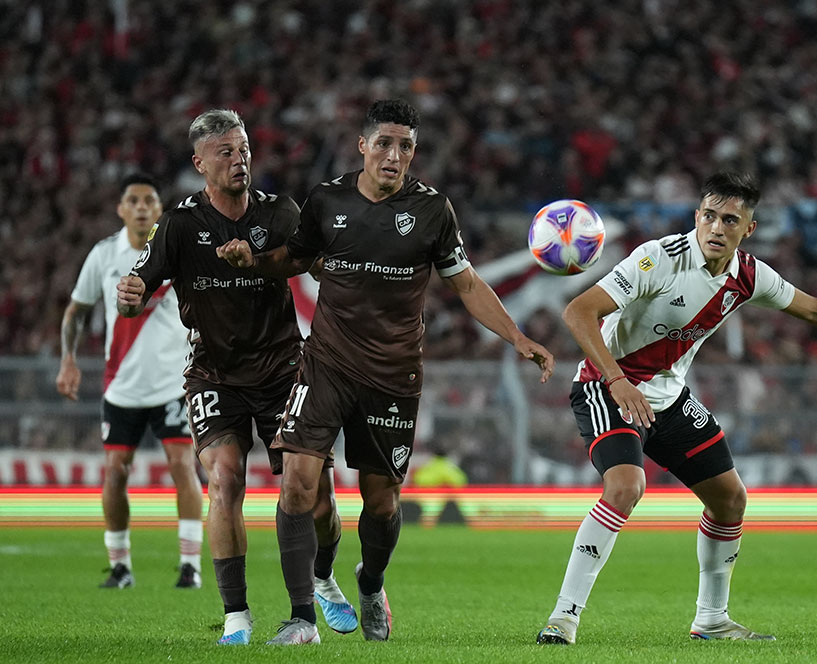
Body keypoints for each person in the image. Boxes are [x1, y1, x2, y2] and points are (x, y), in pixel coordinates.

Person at [535, 171, 817, 645]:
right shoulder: (657, 259)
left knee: (730, 500)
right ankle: (563, 618)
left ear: (748, 228)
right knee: (626, 486)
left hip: (668, 397)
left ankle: (712, 619)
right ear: (696, 216)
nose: (716, 227)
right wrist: (617, 380)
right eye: (709, 216)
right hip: (606, 387)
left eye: (729, 220)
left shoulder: (749, 275)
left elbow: (816, 310)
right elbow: (578, 312)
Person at [216, 98, 555, 644]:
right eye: (384, 144)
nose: (394, 156)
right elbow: (295, 258)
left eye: (405, 147)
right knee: (298, 481)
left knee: (380, 501)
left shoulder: (432, 210)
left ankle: (370, 582)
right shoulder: (327, 200)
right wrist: (253, 261)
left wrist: (516, 337)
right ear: (363, 146)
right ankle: (302, 618)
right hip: (325, 364)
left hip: (393, 375)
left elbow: (466, 284)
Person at [116, 109, 357, 645]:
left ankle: (322, 577)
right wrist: (129, 298)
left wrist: (325, 263)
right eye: (225, 152)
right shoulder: (179, 225)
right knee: (225, 480)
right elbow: (138, 290)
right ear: (199, 163)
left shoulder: (280, 212)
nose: (239, 159)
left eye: (243, 149)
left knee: (316, 495)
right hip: (215, 374)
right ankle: (237, 617)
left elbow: (317, 263)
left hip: (283, 370)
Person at [57, 173, 204, 590]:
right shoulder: (105, 254)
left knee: (182, 466)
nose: (141, 207)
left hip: (172, 384)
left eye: (149, 201)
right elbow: (76, 311)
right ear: (121, 209)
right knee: (115, 472)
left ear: (159, 210)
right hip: (121, 386)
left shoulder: (177, 252)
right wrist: (68, 359)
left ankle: (190, 565)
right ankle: (120, 567)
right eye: (133, 201)